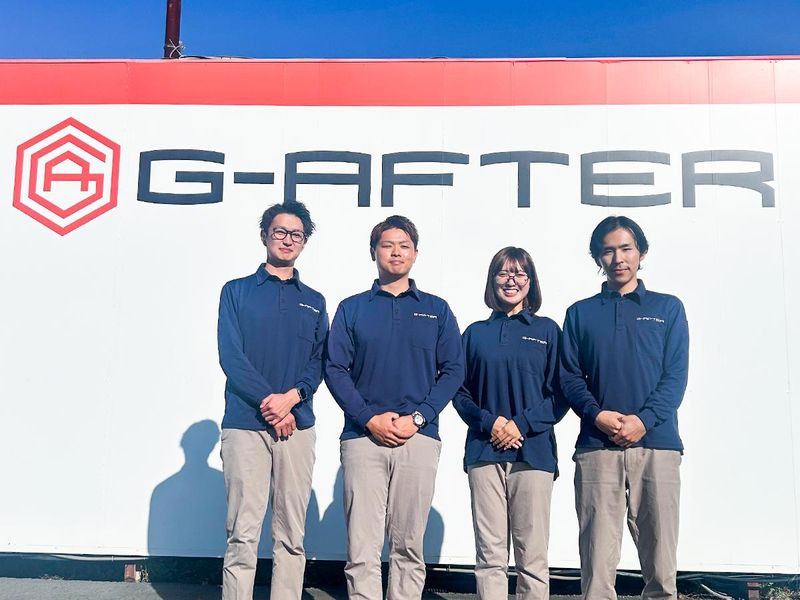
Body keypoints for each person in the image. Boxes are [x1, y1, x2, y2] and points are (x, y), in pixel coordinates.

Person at [324, 215, 465, 600]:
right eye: (387, 245)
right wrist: (368, 418)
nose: (396, 252)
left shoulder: (436, 309)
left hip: (418, 438)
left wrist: (418, 418)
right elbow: (335, 368)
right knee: (362, 548)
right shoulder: (352, 308)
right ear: (374, 252)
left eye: (404, 245)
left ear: (415, 253)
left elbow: (454, 369)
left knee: (408, 546)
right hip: (362, 438)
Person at [560, 215, 689, 600]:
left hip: (657, 445)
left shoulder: (668, 308)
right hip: (597, 448)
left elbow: (675, 375)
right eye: (608, 251)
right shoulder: (580, 313)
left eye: (626, 248)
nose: (618, 258)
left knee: (661, 565)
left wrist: (643, 421)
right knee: (597, 566)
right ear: (597, 258)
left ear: (641, 252)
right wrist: (597, 415)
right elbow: (570, 377)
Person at [217, 201, 328, 600]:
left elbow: (319, 361)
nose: (287, 240)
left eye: (296, 234)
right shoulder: (236, 291)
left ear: (304, 242)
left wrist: (292, 399)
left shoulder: (314, 300)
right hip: (245, 425)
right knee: (242, 535)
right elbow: (231, 356)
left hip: (297, 428)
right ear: (264, 235)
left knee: (291, 535)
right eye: (280, 232)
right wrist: (272, 403)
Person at [453, 247, 567, 600]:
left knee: (532, 556)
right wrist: (490, 423)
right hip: (484, 453)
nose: (511, 280)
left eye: (519, 273)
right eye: (503, 273)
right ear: (492, 280)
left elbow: (561, 394)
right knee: (490, 556)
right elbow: (460, 392)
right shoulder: (474, 334)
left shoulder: (548, 331)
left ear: (531, 281)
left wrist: (521, 425)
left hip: (533, 454)